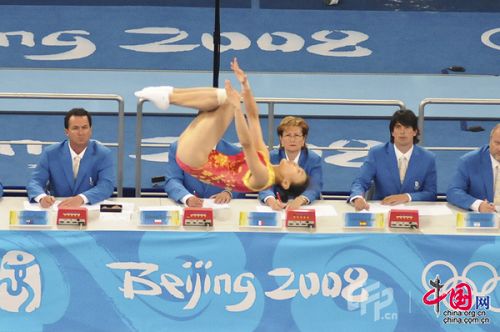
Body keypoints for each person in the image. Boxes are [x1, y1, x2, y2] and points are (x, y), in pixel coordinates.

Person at [135, 58, 309, 195]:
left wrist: (237, 108)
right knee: (224, 97)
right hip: (200, 154)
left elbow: (246, 144)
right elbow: (254, 118)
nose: (296, 165)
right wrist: (245, 85)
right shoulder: (265, 159)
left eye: (298, 171)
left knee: (229, 101)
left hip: (195, 160)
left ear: (285, 183)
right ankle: (168, 94)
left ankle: (169, 97)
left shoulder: (263, 178)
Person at [349, 109, 437, 211]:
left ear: (415, 132)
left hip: (415, 213)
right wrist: (358, 197)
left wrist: (407, 197)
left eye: (407, 127)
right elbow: (360, 181)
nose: (402, 132)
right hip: (383, 211)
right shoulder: (376, 153)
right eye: (398, 127)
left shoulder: (428, 158)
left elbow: (431, 194)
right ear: (392, 132)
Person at [26, 108, 115, 208]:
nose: (81, 133)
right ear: (67, 132)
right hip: (58, 208)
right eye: (75, 128)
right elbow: (35, 182)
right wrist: (42, 197)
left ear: (91, 130)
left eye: (85, 127)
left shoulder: (103, 154)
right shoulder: (50, 153)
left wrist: (81, 198)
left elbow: (106, 186)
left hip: (90, 207)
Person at [258, 116, 323, 210]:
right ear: (281, 139)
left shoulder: (313, 159)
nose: (292, 140)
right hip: (277, 206)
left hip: (303, 206)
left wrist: (300, 200)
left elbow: (315, 186)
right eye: (288, 135)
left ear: (303, 139)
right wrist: (271, 200)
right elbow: (265, 184)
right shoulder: (271, 157)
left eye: (296, 135)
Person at [165, 139, 245, 207]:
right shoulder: (179, 148)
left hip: (222, 210)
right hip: (187, 209)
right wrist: (186, 197)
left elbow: (240, 182)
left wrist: (228, 193)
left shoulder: (234, 151)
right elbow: (173, 180)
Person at [447, 124, 500, 212]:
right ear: (490, 141)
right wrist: (478, 205)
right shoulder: (469, 161)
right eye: (497, 143)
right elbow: (453, 191)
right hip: (483, 220)